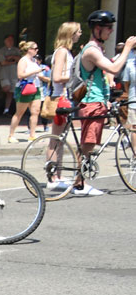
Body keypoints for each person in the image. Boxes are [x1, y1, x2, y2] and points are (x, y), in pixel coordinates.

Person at [73, 10, 136, 196]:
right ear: (97, 28)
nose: (110, 31)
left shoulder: (98, 49)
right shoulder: (91, 50)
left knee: (89, 143)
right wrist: (127, 48)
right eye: (108, 28)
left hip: (98, 101)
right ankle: (79, 183)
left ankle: (81, 179)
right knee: (88, 143)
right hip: (91, 102)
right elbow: (115, 68)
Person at [43, 22, 81, 194]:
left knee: (60, 139)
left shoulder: (65, 52)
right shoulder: (62, 52)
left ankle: (57, 174)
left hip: (64, 98)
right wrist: (73, 76)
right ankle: (52, 177)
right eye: (78, 31)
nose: (80, 34)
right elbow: (57, 76)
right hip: (60, 98)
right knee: (55, 139)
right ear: (70, 33)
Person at [8, 41, 44, 143]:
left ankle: (32, 135)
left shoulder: (34, 61)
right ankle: (11, 135)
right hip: (24, 88)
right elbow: (20, 75)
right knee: (19, 113)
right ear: (29, 49)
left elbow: (38, 75)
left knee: (35, 112)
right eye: (35, 48)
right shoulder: (23, 61)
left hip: (35, 87)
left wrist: (46, 77)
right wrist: (35, 72)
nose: (37, 50)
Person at [0, 34, 21, 115]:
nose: (10, 42)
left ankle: (7, 110)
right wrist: (13, 61)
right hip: (4, 75)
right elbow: (3, 62)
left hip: (14, 75)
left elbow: (20, 59)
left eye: (12, 40)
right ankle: (0, 106)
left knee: (12, 92)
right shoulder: (1, 51)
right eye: (8, 40)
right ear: (5, 41)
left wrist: (12, 57)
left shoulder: (16, 50)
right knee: (7, 88)